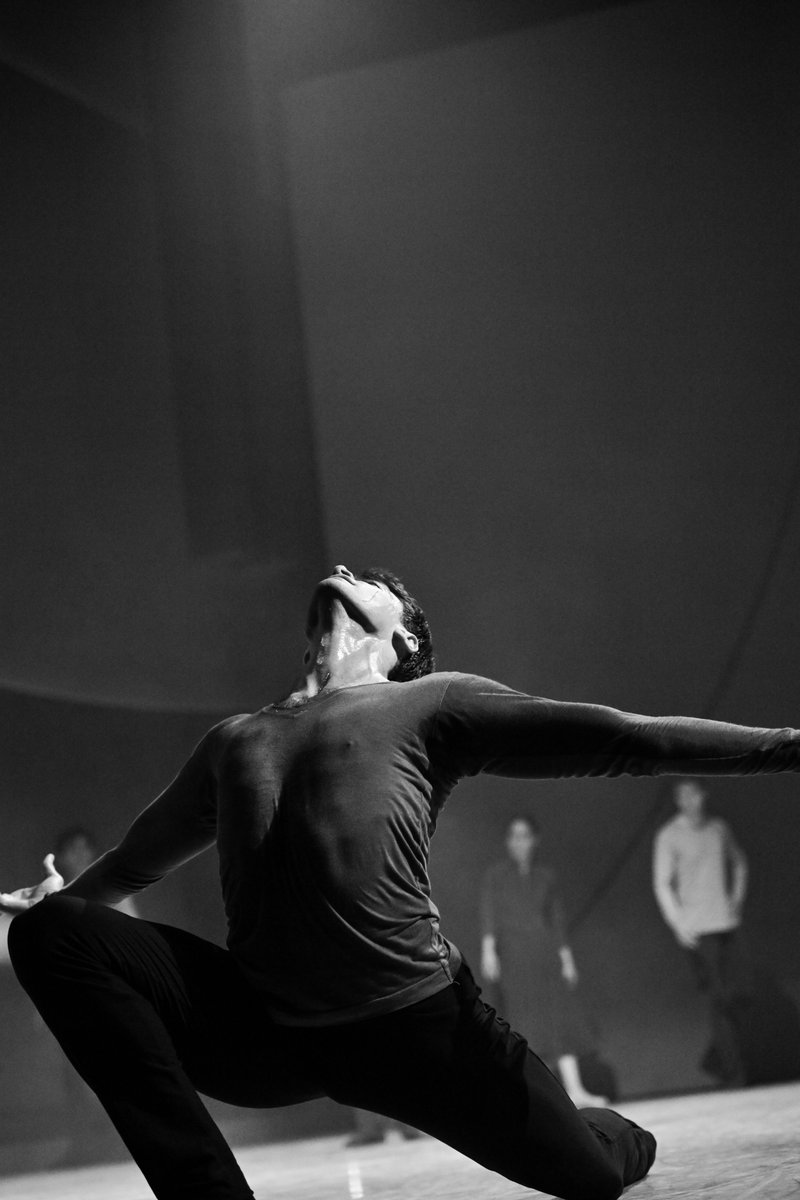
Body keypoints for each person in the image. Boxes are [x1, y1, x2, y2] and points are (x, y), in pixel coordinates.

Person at [4, 564, 800, 1200]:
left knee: (590, 1176)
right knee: (52, 932)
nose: (345, 568)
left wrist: (784, 747)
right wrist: (66, 903)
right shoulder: (234, 741)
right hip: (268, 1030)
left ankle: (615, 1134)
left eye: (372, 578)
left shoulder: (432, 702)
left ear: (404, 634)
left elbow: (627, 740)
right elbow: (135, 860)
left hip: (415, 1029)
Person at [481, 815, 607, 1107]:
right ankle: (539, 1097)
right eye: (513, 836)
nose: (519, 842)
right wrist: (488, 949)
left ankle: (575, 1090)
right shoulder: (496, 876)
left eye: (524, 836)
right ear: (507, 841)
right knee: (525, 1022)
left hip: (544, 953)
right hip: (514, 955)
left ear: (534, 840)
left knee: (558, 1020)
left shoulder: (545, 876)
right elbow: (489, 914)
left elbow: (556, 919)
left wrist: (566, 957)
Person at [652, 779, 751, 1086]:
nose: (691, 800)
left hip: (724, 923)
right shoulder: (669, 835)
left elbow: (740, 864)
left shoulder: (717, 828)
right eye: (684, 795)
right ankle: (735, 1074)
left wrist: (735, 900)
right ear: (678, 800)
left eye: (695, 793)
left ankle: (718, 1063)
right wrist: (677, 923)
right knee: (718, 997)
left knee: (733, 996)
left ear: (702, 796)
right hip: (697, 929)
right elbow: (661, 883)